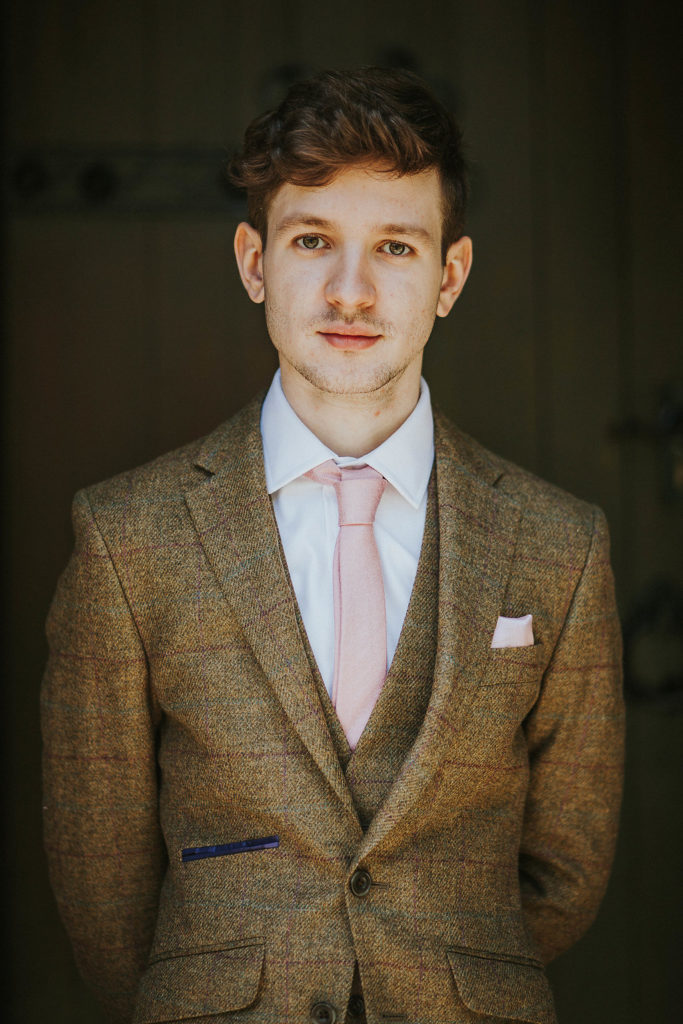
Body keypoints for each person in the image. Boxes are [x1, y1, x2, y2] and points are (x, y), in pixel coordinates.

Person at [41, 67, 625, 1024]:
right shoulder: (126, 537)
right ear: (254, 262)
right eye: (313, 241)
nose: (350, 291)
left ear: (450, 275)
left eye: (394, 247)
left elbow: (567, 869)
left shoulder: (557, 544)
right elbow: (99, 878)